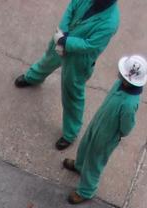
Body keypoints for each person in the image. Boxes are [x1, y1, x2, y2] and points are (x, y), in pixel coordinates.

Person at [14, 0, 120, 150]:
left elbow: (90, 44)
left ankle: (70, 133)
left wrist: (65, 41)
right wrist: (61, 33)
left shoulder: (110, 22)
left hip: (78, 59)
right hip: (61, 40)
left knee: (72, 94)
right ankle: (32, 77)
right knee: (47, 61)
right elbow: (71, 7)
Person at [63, 53, 145, 203]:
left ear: (129, 80)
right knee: (85, 144)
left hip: (108, 136)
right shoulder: (118, 84)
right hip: (98, 123)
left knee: (95, 160)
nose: (119, 74)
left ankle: (86, 191)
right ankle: (80, 165)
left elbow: (127, 127)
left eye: (122, 74)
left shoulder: (129, 104)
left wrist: (117, 134)